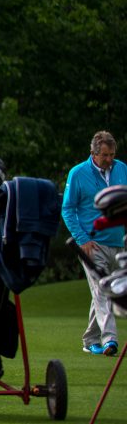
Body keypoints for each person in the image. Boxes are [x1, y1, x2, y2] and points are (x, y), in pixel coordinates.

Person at [62, 131, 126, 356]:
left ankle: (90, 339)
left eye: (112, 154)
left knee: (104, 290)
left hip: (118, 242)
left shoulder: (122, 169)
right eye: (105, 155)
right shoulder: (78, 173)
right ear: (94, 153)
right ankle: (110, 341)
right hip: (92, 244)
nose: (110, 159)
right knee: (102, 290)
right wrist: (82, 239)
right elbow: (67, 209)